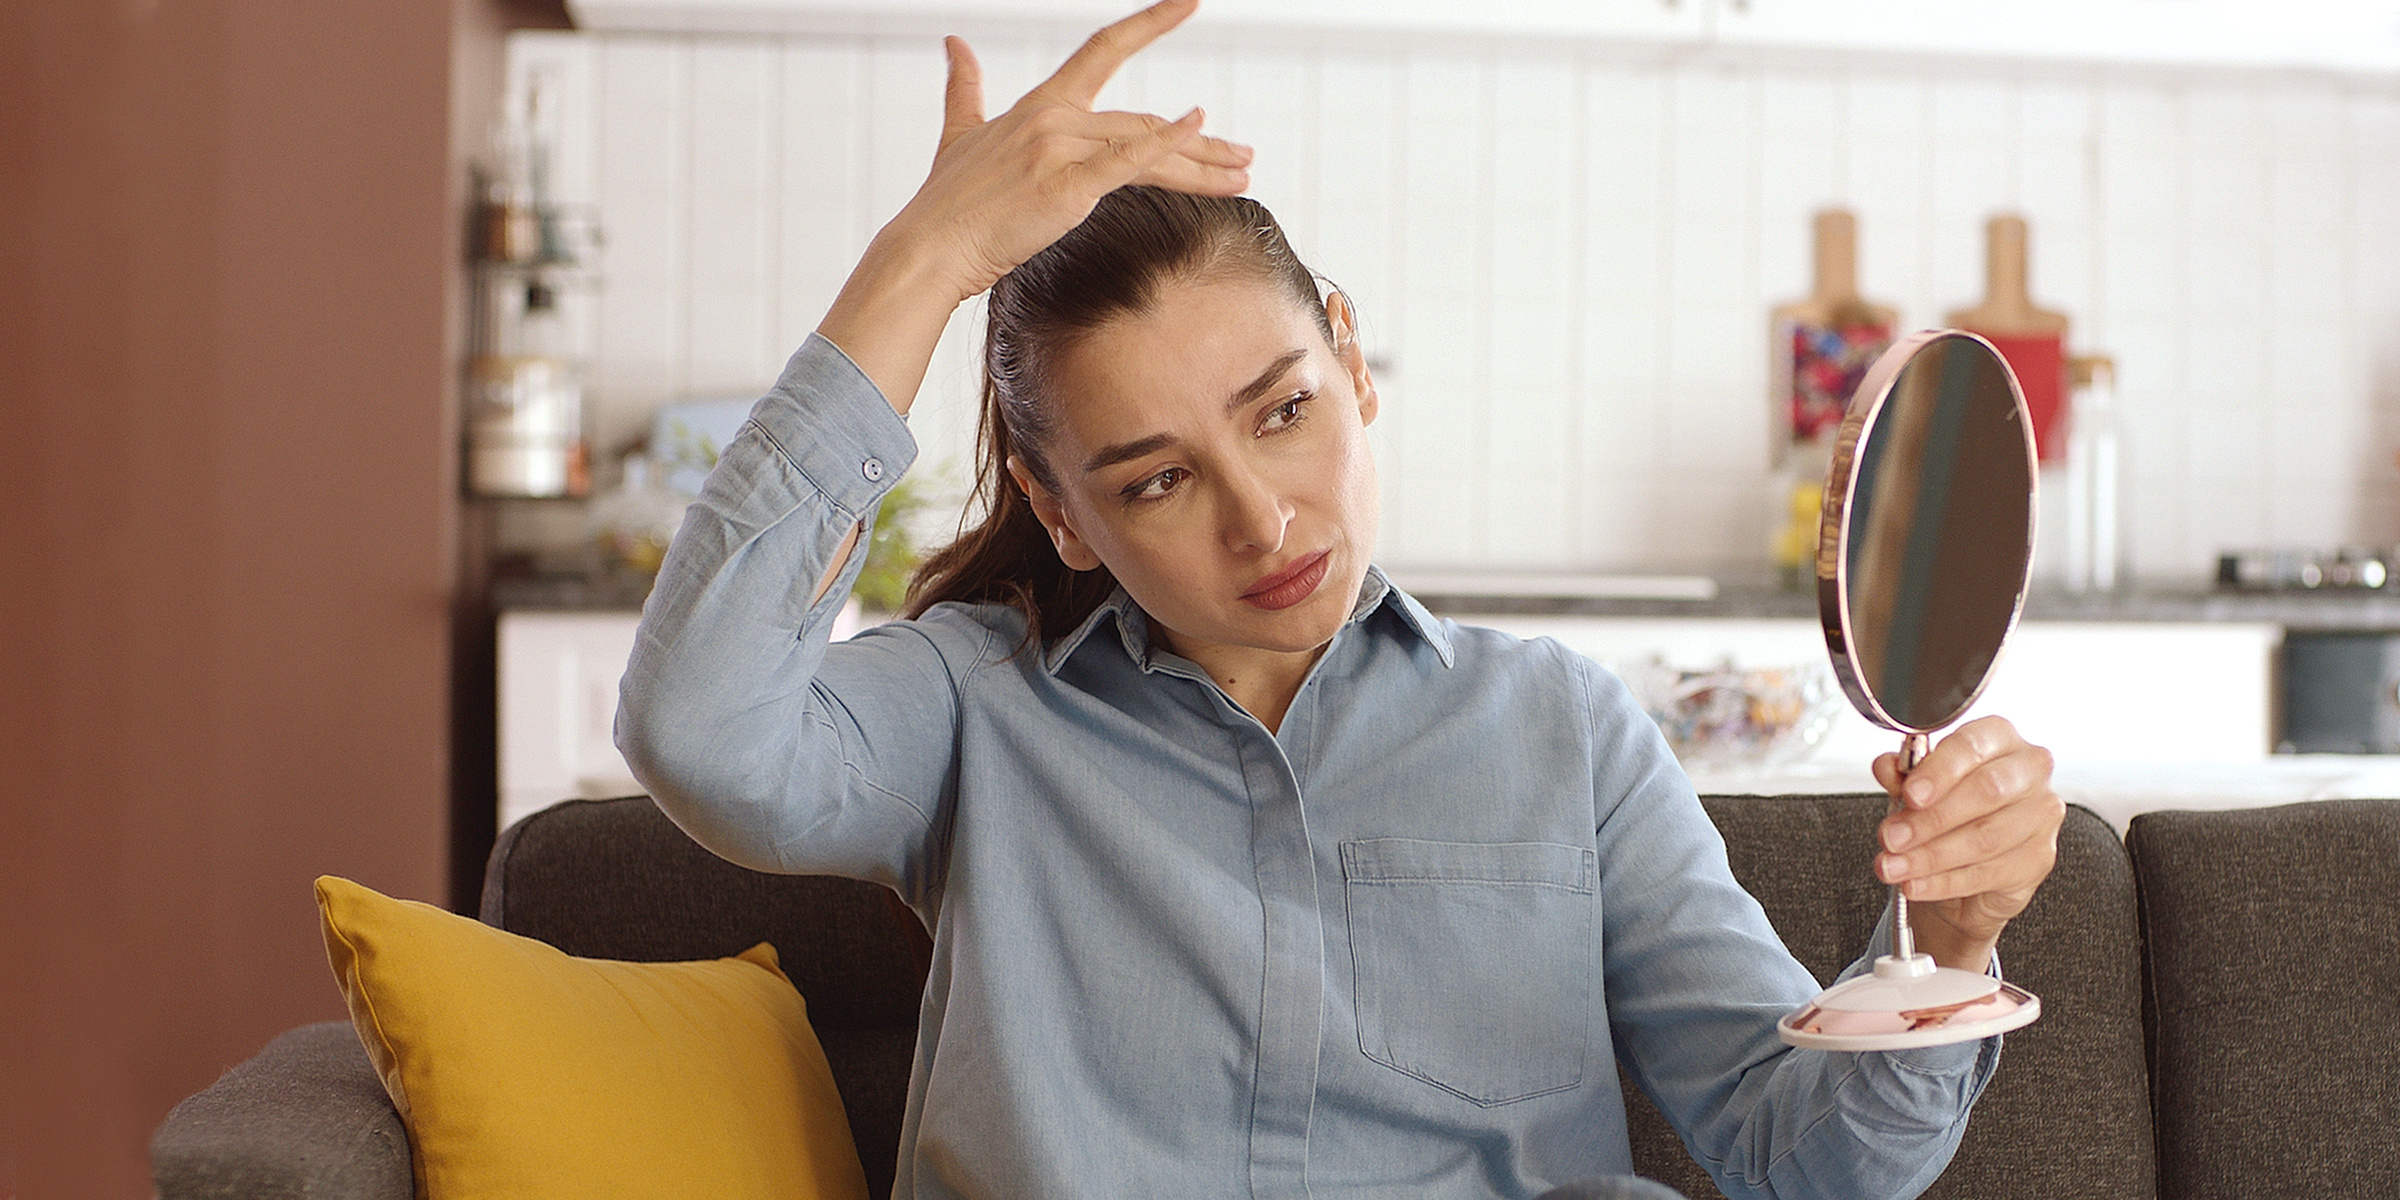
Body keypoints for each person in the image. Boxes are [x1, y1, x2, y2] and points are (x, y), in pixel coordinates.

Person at [614, 3, 2067, 1197]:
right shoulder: (970, 712)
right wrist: (925, 258)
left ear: (1353, 367)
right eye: (1156, 483)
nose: (1266, 518)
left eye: (1285, 409)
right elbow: (701, 731)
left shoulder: (1561, 731)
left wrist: (1944, 956)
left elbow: (1798, 1153)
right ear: (1061, 516)